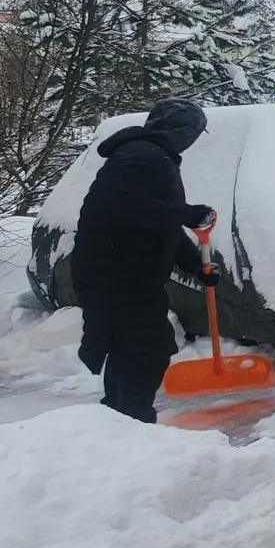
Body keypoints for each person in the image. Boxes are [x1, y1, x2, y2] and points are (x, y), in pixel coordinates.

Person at [73, 98, 216, 424]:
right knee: (149, 351)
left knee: (129, 349)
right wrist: (186, 213)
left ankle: (118, 419)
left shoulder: (149, 154)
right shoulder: (143, 156)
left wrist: (195, 262)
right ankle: (134, 421)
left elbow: (153, 219)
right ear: (182, 131)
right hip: (117, 273)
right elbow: (122, 206)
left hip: (118, 271)